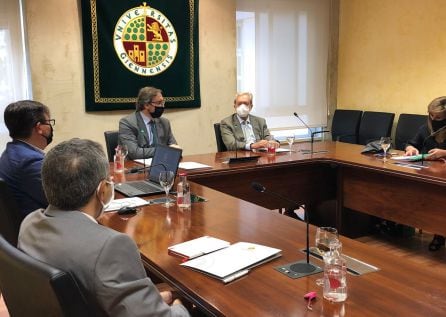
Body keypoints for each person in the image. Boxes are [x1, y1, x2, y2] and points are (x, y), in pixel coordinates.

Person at [18, 138, 190, 316]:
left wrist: (154, 299)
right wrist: (180, 304)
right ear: (103, 189)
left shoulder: (30, 223)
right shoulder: (111, 247)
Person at [405, 96, 446, 251]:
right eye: (431, 115)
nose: (434, 119)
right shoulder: (425, 129)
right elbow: (411, 143)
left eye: (439, 117)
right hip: (428, 174)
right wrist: (411, 149)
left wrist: (444, 152)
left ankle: (439, 234)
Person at [0, 100, 53, 217]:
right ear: (39, 128)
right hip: (40, 229)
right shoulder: (30, 161)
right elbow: (64, 200)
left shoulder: (11, 152)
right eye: (49, 122)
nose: (50, 127)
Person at [119, 87, 179, 159]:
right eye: (159, 103)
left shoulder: (164, 123)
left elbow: (175, 149)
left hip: (160, 165)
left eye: (163, 102)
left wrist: (172, 150)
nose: (162, 106)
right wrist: (165, 150)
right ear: (146, 105)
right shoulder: (128, 123)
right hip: (135, 167)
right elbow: (135, 153)